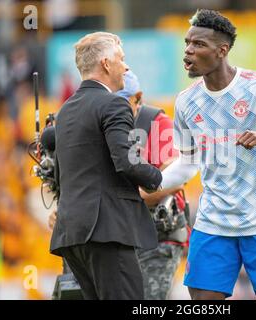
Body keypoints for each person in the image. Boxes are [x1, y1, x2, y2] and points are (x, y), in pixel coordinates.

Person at [157, 9, 256, 300]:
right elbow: (189, 161)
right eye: (187, 43)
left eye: (198, 45)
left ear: (222, 51)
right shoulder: (185, 102)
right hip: (213, 223)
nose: (188, 51)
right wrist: (153, 183)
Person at [49, 32, 162, 300]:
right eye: (121, 59)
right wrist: (157, 176)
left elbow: (58, 174)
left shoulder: (65, 111)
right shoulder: (113, 104)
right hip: (106, 229)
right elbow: (126, 161)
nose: (126, 66)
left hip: (71, 233)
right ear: (105, 63)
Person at [116, 70, 190, 300]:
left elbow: (177, 177)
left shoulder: (156, 123)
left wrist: (131, 198)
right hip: (123, 236)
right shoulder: (109, 125)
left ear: (137, 98)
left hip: (158, 235)